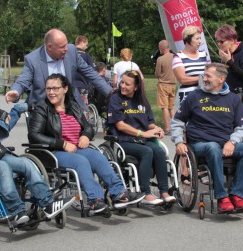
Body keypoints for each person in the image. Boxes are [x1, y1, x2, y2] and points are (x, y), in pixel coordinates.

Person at [0, 67, 74, 226]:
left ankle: (48, 204)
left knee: (26, 163)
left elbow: (3, 129)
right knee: (2, 167)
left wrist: (17, 111)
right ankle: (17, 212)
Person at [28, 74, 145, 214]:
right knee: (81, 161)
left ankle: (119, 193)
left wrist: (85, 135)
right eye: (48, 89)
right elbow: (34, 136)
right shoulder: (42, 108)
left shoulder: (73, 106)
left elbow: (88, 126)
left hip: (76, 148)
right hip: (52, 152)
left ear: (65, 89)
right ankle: (95, 200)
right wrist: (62, 144)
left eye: (55, 88)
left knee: (98, 157)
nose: (51, 92)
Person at [171, 63, 243, 212]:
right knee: (213, 147)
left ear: (221, 79)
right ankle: (222, 197)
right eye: (204, 75)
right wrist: (178, 141)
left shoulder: (233, 99)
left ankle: (237, 194)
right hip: (200, 145)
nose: (204, 79)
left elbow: (242, 128)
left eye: (208, 76)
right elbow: (177, 121)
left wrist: (232, 141)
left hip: (226, 144)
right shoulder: (194, 96)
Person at [107, 70, 176, 205]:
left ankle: (164, 191)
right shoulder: (115, 99)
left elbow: (149, 122)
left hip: (140, 140)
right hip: (122, 140)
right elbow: (120, 125)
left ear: (136, 87)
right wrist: (142, 134)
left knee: (159, 151)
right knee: (147, 151)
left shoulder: (142, 100)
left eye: (127, 84)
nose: (122, 86)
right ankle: (145, 193)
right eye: (122, 82)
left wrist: (156, 129)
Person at [5, 28, 112, 111]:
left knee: (82, 134)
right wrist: (16, 91)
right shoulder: (33, 59)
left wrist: (110, 93)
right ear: (49, 46)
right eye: (62, 46)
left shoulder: (71, 51)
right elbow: (23, 80)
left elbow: (90, 73)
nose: (66, 48)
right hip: (43, 109)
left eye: (66, 44)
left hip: (69, 107)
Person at [215, 24, 243, 93]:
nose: (219, 44)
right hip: (232, 94)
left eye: (222, 41)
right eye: (217, 41)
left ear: (232, 40)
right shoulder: (225, 54)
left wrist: (229, 61)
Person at [172, 26, 210, 106]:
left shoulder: (204, 54)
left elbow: (210, 74)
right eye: (197, 39)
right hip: (187, 97)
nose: (200, 41)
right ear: (187, 39)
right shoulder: (178, 57)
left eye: (200, 38)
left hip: (205, 95)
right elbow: (182, 79)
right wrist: (202, 78)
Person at [154, 40, 176, 134]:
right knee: (171, 107)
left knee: (165, 107)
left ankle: (167, 128)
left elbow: (157, 74)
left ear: (162, 48)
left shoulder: (160, 59)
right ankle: (176, 127)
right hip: (173, 84)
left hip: (163, 85)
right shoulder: (175, 57)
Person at [74, 35, 95, 107]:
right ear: (82, 42)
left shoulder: (68, 55)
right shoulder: (86, 56)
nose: (87, 47)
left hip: (69, 86)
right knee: (83, 108)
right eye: (86, 44)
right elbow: (92, 72)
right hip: (82, 85)